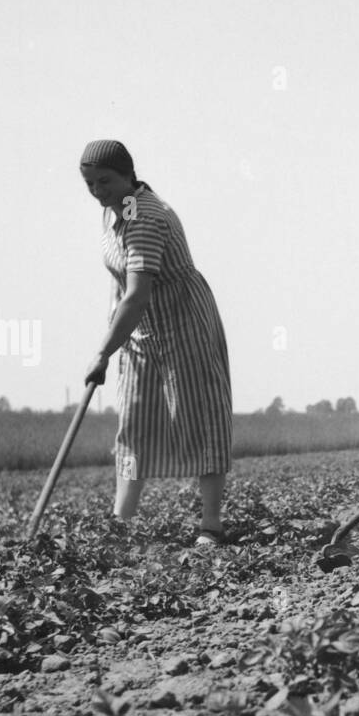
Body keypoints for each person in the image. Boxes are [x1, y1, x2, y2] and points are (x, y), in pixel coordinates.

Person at [78, 140, 233, 546]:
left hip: (183, 323)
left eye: (105, 181)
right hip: (139, 331)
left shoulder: (146, 217)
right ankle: (121, 525)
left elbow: (137, 294)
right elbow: (121, 287)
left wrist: (101, 352)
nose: (98, 191)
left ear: (129, 174)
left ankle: (211, 525)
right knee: (134, 424)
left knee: (200, 419)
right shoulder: (114, 212)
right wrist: (114, 338)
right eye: (90, 183)